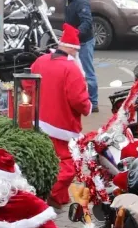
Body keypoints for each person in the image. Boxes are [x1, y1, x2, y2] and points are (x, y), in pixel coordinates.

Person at [30, 25, 92, 206]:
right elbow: (78, 99)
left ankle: (59, 196)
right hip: (62, 123)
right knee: (67, 163)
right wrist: (88, 107)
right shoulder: (71, 69)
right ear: (72, 48)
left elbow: (27, 84)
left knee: (46, 158)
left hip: (39, 119)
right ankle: (53, 194)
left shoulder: (40, 61)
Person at [57, 0, 98, 111]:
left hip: (84, 41)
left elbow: (87, 22)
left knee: (87, 71)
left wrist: (74, 34)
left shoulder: (81, 1)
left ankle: (94, 102)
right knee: (76, 71)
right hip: (76, 41)